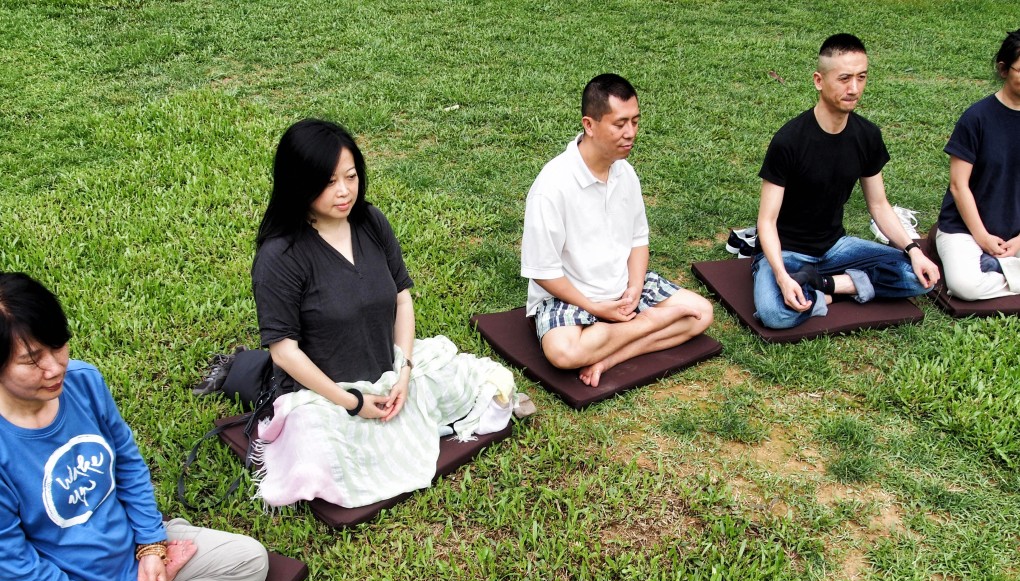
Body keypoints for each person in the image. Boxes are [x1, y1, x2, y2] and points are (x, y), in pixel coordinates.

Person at [0, 272, 269, 581]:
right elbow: (17, 565)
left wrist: (151, 547)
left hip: (126, 552)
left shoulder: (83, 382)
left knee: (250, 564)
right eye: (32, 359)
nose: (55, 366)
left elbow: (126, 462)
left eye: (59, 345)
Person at [251, 119, 514, 508]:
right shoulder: (280, 256)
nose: (344, 192)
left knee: (490, 391)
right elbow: (284, 351)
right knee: (315, 460)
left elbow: (402, 300)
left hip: (389, 370)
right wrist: (352, 402)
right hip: (325, 393)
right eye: (327, 182)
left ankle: (406, 417)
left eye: (351, 176)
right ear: (298, 184)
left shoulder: (370, 222)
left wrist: (404, 372)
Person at [520, 73, 713, 387]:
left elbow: (638, 239)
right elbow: (543, 272)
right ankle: (652, 323)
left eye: (635, 122)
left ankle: (610, 356)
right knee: (563, 353)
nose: (630, 133)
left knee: (702, 313)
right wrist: (596, 307)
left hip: (622, 289)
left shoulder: (626, 174)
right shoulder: (551, 186)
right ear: (589, 125)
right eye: (620, 124)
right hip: (572, 296)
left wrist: (635, 288)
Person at [752, 34, 940, 329]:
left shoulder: (867, 136)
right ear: (818, 80)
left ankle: (826, 286)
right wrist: (780, 275)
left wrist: (914, 250)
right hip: (787, 253)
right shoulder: (789, 141)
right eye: (844, 79)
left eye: (861, 77)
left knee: (920, 275)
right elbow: (766, 221)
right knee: (775, 313)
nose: (854, 89)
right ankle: (834, 286)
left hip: (836, 249)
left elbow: (878, 206)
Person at [934, 30, 1020, 300]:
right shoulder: (977, 118)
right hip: (966, 229)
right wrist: (982, 237)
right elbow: (959, 186)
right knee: (965, 286)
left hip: (1017, 233)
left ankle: (999, 270)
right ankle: (1006, 271)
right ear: (1003, 69)